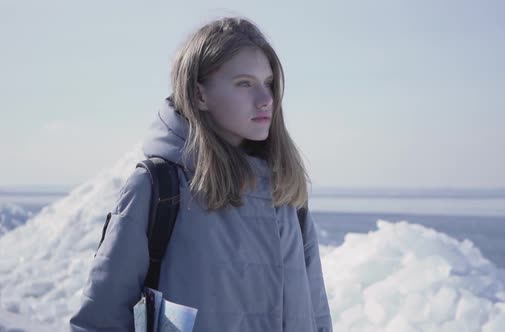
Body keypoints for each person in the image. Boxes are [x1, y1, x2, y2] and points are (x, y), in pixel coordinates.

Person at [69, 16, 333, 332]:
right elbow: (100, 322)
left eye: (269, 83)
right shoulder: (157, 188)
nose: (265, 100)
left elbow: (317, 320)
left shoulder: (286, 195)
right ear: (199, 95)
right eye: (244, 83)